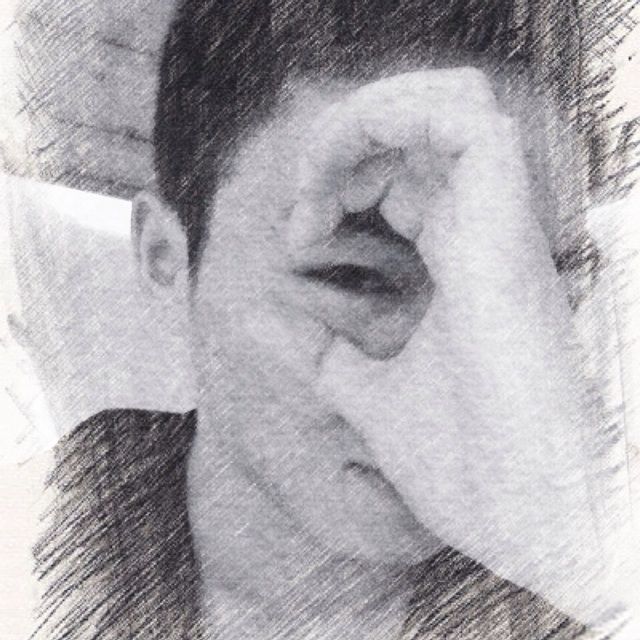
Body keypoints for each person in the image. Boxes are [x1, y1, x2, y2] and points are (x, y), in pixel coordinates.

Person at [32, 1, 634, 638]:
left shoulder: (589, 574)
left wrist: (590, 549)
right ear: (166, 257)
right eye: (356, 278)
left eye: (523, 295)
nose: (462, 376)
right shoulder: (45, 540)